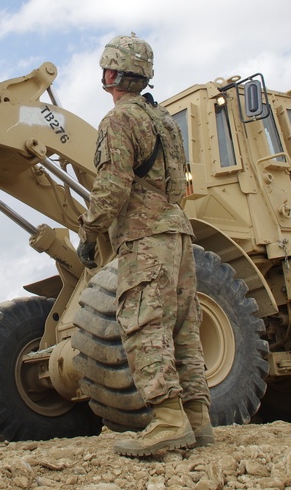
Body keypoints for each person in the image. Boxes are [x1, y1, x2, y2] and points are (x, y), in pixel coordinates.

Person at [76, 33, 212, 457]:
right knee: (182, 328)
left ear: (111, 74)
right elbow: (178, 184)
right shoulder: (165, 120)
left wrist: (89, 229)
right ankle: (197, 420)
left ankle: (169, 423)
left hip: (145, 237)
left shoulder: (119, 120)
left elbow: (113, 185)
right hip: (178, 234)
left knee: (145, 326)